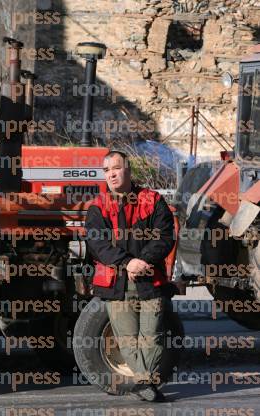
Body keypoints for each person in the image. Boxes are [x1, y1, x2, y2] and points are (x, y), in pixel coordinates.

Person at [84, 150, 175, 402]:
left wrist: (143, 261)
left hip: (150, 281)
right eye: (106, 171)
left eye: (115, 168)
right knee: (127, 340)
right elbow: (97, 245)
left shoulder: (153, 200)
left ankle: (143, 383)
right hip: (117, 284)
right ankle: (146, 384)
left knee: (153, 337)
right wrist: (127, 263)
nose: (111, 174)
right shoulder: (98, 207)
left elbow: (165, 236)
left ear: (128, 170)